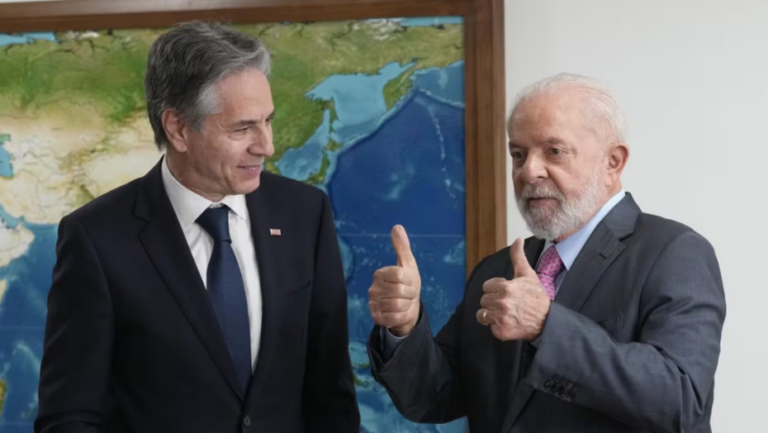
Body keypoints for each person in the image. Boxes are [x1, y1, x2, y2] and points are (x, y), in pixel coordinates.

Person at [35, 21, 360, 433]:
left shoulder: (304, 213)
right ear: (178, 129)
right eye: (242, 128)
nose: (266, 145)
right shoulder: (97, 238)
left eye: (268, 121)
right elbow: (69, 416)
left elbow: (330, 394)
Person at [367, 73, 726, 433]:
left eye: (554, 151)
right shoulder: (497, 268)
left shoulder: (674, 252)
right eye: (518, 154)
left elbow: (681, 401)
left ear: (613, 162)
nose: (528, 171)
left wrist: (545, 326)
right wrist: (404, 326)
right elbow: (433, 396)